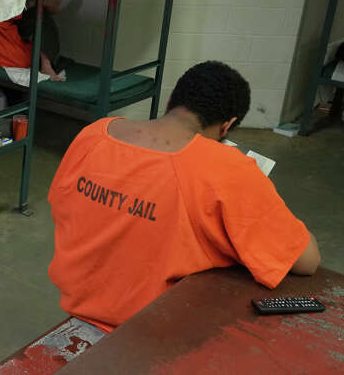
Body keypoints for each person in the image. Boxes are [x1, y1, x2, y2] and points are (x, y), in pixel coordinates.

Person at [47, 61, 320, 333]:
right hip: (153, 330)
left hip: (77, 303)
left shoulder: (94, 134)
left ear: (170, 101)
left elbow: (61, 206)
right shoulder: (227, 168)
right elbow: (306, 261)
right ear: (227, 126)